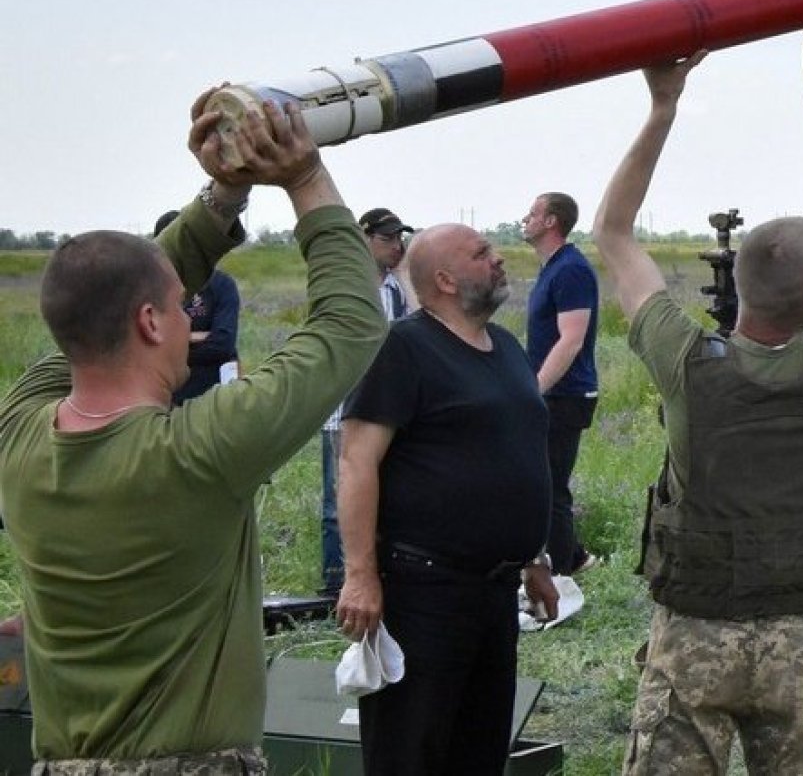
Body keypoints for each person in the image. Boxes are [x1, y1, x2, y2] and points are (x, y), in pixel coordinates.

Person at [0, 92, 387, 771]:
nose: (188, 317)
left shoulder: (19, 434)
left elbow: (110, 295)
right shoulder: (199, 451)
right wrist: (302, 178)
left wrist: (225, 192)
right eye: (180, 306)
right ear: (151, 322)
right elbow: (351, 320)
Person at [595, 0, 803, 775]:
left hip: (694, 636)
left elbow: (613, 231)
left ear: (737, 285)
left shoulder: (684, 362)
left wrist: (662, 105)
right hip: (799, 636)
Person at [335, 222, 558, 776]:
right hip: (424, 592)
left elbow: (516, 453)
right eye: (482, 253)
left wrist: (534, 558)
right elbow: (356, 461)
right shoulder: (404, 348)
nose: (498, 257)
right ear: (445, 280)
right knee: (412, 752)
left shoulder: (503, 348)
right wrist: (360, 573)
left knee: (478, 753)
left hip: (494, 591)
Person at [319, 207, 414, 595]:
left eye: (400, 239)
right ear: (364, 239)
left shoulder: (397, 287)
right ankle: (334, 582)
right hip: (344, 407)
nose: (397, 247)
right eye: (387, 239)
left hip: (385, 409)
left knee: (382, 492)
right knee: (337, 497)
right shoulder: (346, 286)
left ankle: (378, 577)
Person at [521, 189, 602, 576]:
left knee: (552, 488)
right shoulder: (553, 266)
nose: (525, 218)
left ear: (551, 221)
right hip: (553, 393)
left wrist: (535, 389)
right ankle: (569, 556)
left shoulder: (570, 269)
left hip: (565, 394)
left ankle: (562, 571)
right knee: (542, 483)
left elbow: (571, 339)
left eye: (533, 213)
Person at [150, 208, 241, 405]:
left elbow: (223, 345)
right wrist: (199, 335)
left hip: (216, 398)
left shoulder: (222, 285)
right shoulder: (147, 291)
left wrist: (170, 346)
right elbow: (140, 349)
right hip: (165, 400)